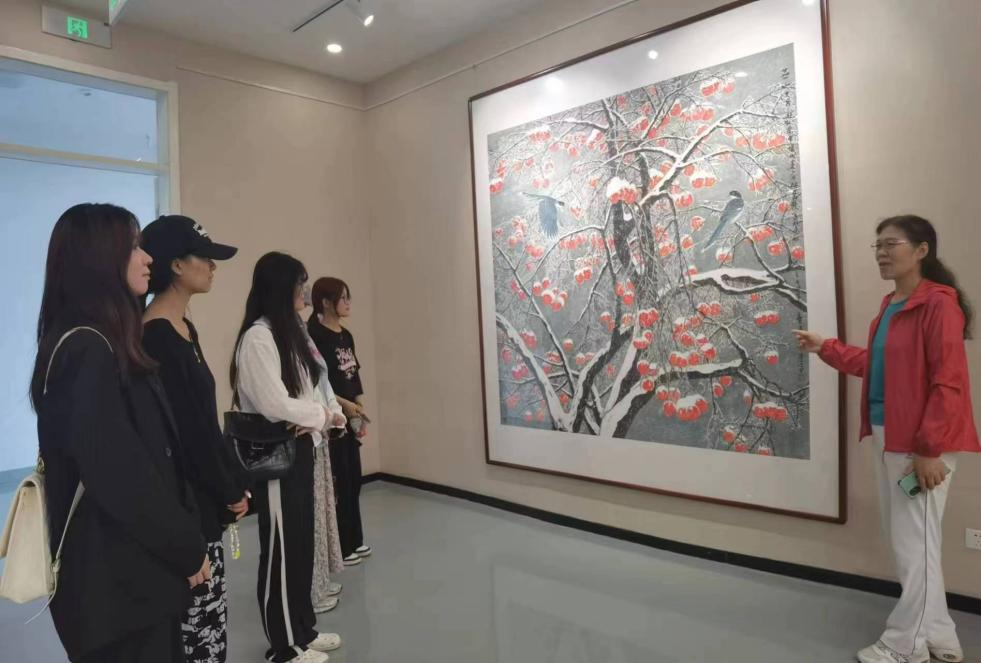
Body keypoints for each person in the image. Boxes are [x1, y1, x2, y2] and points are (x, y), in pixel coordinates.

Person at [794, 215, 979, 663]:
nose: (881, 252)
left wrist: (929, 450)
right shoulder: (893, 304)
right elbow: (876, 366)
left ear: (921, 250)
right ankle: (940, 635)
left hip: (920, 442)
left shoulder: (938, 305)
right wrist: (826, 347)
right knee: (914, 544)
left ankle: (904, 645)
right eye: (877, 245)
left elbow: (949, 382)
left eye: (891, 244)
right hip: (888, 433)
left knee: (913, 546)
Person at [30, 203, 210, 663]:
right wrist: (187, 547)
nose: (147, 258)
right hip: (118, 589)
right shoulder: (88, 348)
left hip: (128, 581)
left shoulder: (98, 341)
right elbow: (120, 474)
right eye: (133, 247)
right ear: (98, 259)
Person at [141, 214, 251, 663]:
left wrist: (233, 482)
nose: (212, 266)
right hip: (187, 507)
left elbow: (206, 420)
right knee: (198, 630)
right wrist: (229, 489)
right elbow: (187, 435)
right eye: (204, 257)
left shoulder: (184, 328)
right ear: (176, 265)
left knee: (211, 622)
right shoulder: (157, 337)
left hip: (205, 500)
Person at [230, 252, 345, 663]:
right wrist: (322, 416)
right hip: (277, 458)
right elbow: (274, 403)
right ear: (281, 287)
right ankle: (283, 648)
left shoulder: (290, 332)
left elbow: (308, 391)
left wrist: (329, 415)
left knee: (300, 548)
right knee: (281, 553)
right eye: (300, 283)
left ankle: (303, 632)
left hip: (302, 450)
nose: (306, 291)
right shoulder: (258, 337)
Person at [307, 277, 371, 565]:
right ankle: (341, 547)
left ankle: (355, 539)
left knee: (353, 480)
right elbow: (321, 383)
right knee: (338, 484)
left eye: (348, 297)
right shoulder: (314, 335)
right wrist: (345, 407)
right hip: (331, 419)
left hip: (351, 417)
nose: (347, 302)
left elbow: (353, 375)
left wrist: (359, 409)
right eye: (342, 297)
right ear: (326, 302)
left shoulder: (346, 335)